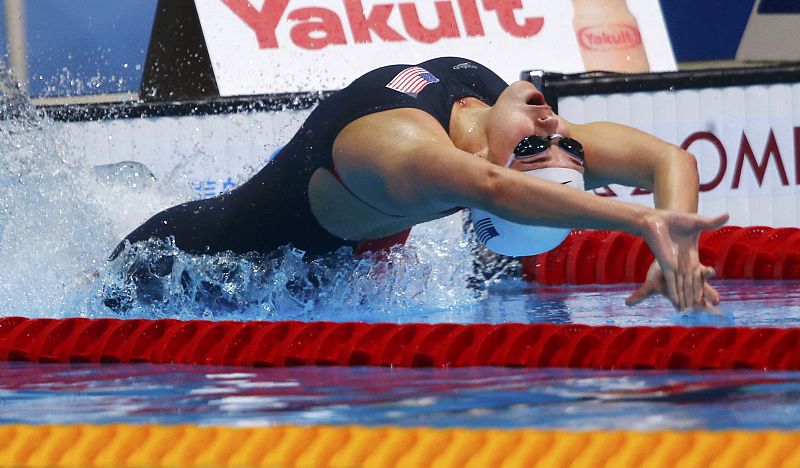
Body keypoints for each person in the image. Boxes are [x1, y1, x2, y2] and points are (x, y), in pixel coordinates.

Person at [112, 56, 727, 312]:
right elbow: (669, 160)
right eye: (565, 144)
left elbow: (496, 187)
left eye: (539, 147)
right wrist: (679, 241)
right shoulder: (515, 126)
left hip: (187, 270)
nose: (554, 126)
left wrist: (639, 222)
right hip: (238, 258)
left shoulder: (405, 156)